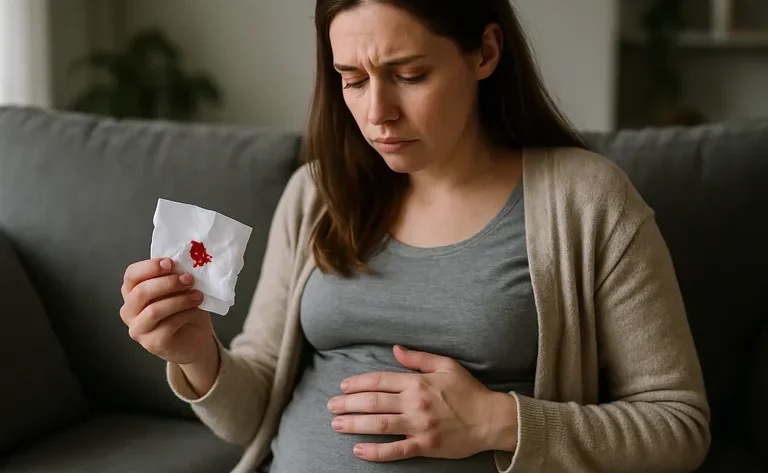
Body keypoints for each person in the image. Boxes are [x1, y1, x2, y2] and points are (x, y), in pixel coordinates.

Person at [119, 1, 711, 472]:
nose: (378, 112)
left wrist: (498, 422)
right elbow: (252, 414)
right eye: (352, 79)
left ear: (484, 52)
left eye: (409, 74)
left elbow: (678, 427)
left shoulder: (587, 200)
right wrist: (198, 353)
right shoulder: (317, 194)